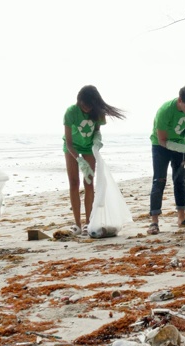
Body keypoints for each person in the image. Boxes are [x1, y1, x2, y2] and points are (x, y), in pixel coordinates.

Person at [63, 85, 125, 236]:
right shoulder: (71, 112)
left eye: (89, 106)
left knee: (89, 183)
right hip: (72, 148)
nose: (86, 108)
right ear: (79, 101)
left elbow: (97, 131)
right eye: (83, 105)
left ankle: (88, 222)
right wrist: (78, 160)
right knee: (74, 183)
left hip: (89, 148)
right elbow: (69, 142)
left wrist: (97, 141)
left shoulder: (97, 113)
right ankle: (77, 223)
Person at [148, 85, 185, 235]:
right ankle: (154, 222)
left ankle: (181, 218)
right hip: (160, 146)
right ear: (180, 100)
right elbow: (162, 140)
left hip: (180, 144)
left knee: (179, 180)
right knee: (159, 180)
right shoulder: (165, 111)